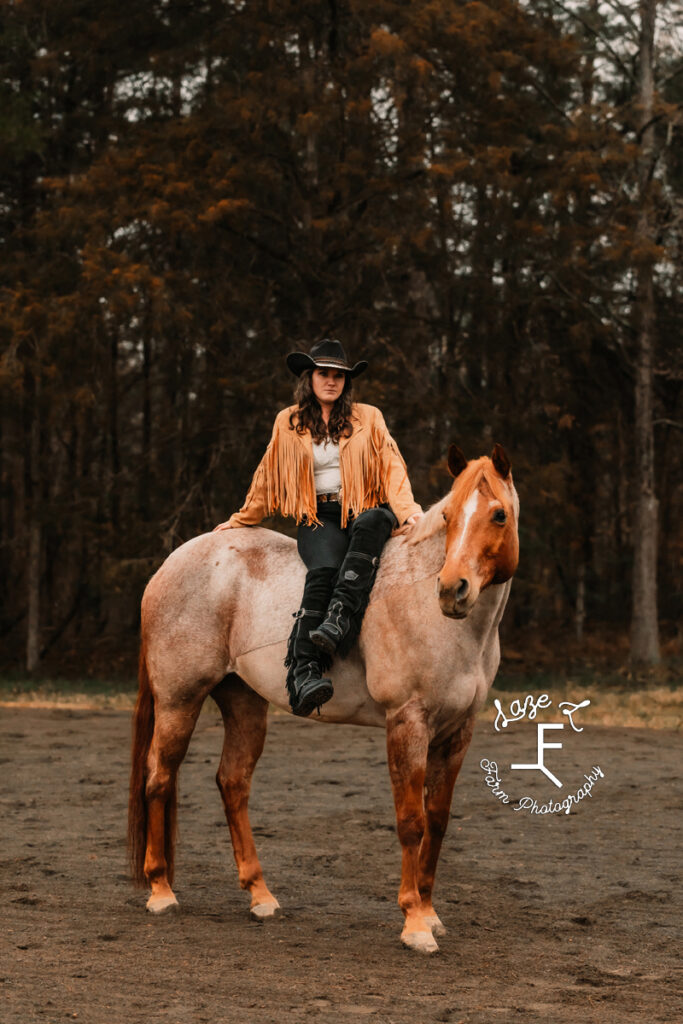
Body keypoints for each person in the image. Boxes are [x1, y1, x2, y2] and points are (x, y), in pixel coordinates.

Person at [214, 339, 423, 717]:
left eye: (338, 376)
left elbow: (392, 467)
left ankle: (340, 616)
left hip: (363, 507)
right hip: (319, 514)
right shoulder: (288, 422)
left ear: (346, 382)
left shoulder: (368, 417)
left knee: (376, 519)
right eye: (324, 374)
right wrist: (242, 518)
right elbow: (268, 473)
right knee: (323, 570)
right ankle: (304, 671)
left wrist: (409, 512)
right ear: (309, 378)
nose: (331, 381)